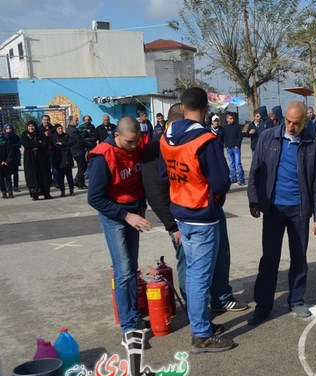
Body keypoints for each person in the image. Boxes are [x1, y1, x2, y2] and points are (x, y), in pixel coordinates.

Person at [144, 105, 247, 319]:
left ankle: (216, 301)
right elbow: (157, 191)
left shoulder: (183, 142)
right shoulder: (162, 147)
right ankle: (198, 320)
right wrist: (172, 225)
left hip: (199, 210)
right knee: (194, 271)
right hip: (187, 216)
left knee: (214, 260)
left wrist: (212, 200)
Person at [159, 87, 235, 353]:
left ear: (181, 107)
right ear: (205, 109)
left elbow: (162, 174)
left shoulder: (166, 136)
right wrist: (214, 197)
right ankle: (201, 334)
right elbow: (221, 181)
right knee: (201, 276)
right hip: (202, 214)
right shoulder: (205, 140)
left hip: (181, 210)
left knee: (193, 273)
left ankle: (200, 325)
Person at [246, 101, 316, 324]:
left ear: (304, 122)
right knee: (269, 258)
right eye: (288, 121)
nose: (291, 126)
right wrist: (254, 200)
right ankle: (263, 306)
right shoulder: (268, 137)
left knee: (299, 258)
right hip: (273, 208)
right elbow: (256, 171)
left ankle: (297, 300)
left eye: (296, 123)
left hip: (299, 210)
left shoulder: (312, 145)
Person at [87, 116, 151, 341]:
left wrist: (140, 207)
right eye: (128, 143)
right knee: (123, 270)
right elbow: (94, 198)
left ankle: (134, 316)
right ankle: (128, 327)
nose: (133, 147)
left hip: (133, 211)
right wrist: (126, 215)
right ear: (116, 135)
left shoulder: (136, 148)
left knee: (132, 268)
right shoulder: (103, 156)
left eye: (136, 142)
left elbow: (139, 181)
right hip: (115, 216)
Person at [22, 121, 53, 200]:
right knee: (32, 176)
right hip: (30, 158)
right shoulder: (25, 134)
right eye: (29, 126)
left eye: (32, 126)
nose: (31, 128)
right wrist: (37, 143)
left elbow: (45, 143)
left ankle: (46, 193)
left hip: (41, 158)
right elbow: (26, 144)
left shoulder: (40, 134)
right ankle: (35, 194)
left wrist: (35, 143)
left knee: (44, 175)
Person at [51, 124, 75, 197]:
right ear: (56, 130)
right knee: (60, 177)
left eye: (61, 128)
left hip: (67, 158)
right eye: (59, 129)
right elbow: (57, 146)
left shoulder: (66, 135)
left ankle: (71, 191)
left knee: (69, 177)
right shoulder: (54, 137)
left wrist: (62, 143)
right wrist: (65, 146)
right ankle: (62, 191)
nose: (60, 130)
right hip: (59, 159)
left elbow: (71, 143)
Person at [223, 111, 245, 185]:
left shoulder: (237, 126)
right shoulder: (225, 127)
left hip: (236, 148)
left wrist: (237, 145)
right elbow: (225, 137)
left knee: (238, 163)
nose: (232, 120)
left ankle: (241, 179)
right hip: (229, 148)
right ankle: (233, 178)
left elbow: (240, 136)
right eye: (230, 118)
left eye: (233, 118)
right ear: (227, 119)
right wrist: (227, 145)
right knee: (231, 164)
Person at [67, 116, 88, 189]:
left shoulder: (72, 129)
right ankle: (80, 183)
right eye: (76, 120)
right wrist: (89, 145)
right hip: (77, 151)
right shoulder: (73, 130)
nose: (77, 122)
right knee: (82, 167)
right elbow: (80, 140)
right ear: (71, 121)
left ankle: (77, 180)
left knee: (82, 166)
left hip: (77, 150)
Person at [0, 124, 18, 198]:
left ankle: (10, 192)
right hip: (0, 162)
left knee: (8, 178)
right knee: (0, 178)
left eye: (0, 131)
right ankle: (4, 192)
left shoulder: (6, 140)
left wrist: (7, 161)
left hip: (7, 162)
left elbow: (10, 152)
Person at [2, 124, 21, 194]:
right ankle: (8, 187)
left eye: (10, 128)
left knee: (16, 172)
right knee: (7, 174)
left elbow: (19, 144)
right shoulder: (3, 137)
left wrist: (11, 146)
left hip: (15, 156)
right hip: (7, 157)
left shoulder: (16, 136)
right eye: (7, 128)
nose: (9, 130)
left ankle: (16, 186)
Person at [39, 114, 56, 187]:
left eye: (47, 120)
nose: (46, 121)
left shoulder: (53, 128)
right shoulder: (39, 129)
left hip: (52, 149)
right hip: (44, 150)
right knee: (46, 167)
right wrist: (44, 135)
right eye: (45, 120)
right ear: (42, 120)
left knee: (54, 166)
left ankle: (56, 181)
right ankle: (49, 181)